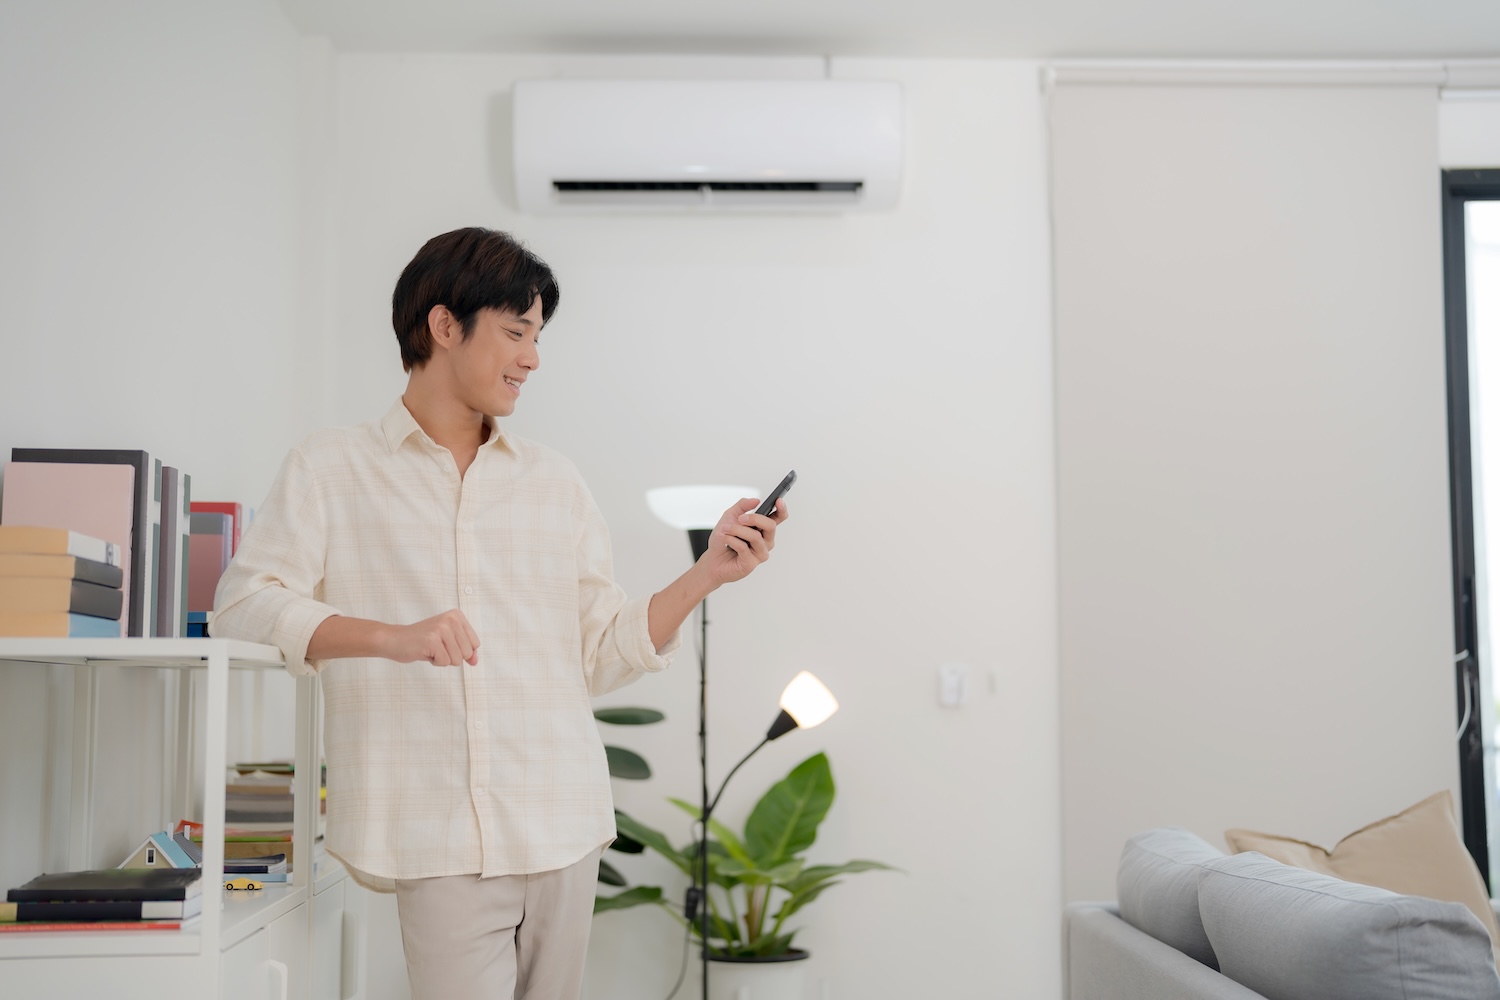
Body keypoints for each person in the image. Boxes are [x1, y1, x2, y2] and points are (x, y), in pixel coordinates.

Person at [210, 227, 787, 1000]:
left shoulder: (555, 482)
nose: (532, 358)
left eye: (538, 336)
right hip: (434, 835)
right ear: (445, 326)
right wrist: (391, 638)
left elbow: (603, 650)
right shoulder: (330, 467)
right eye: (517, 332)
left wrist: (707, 575)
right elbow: (243, 606)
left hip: (562, 821)